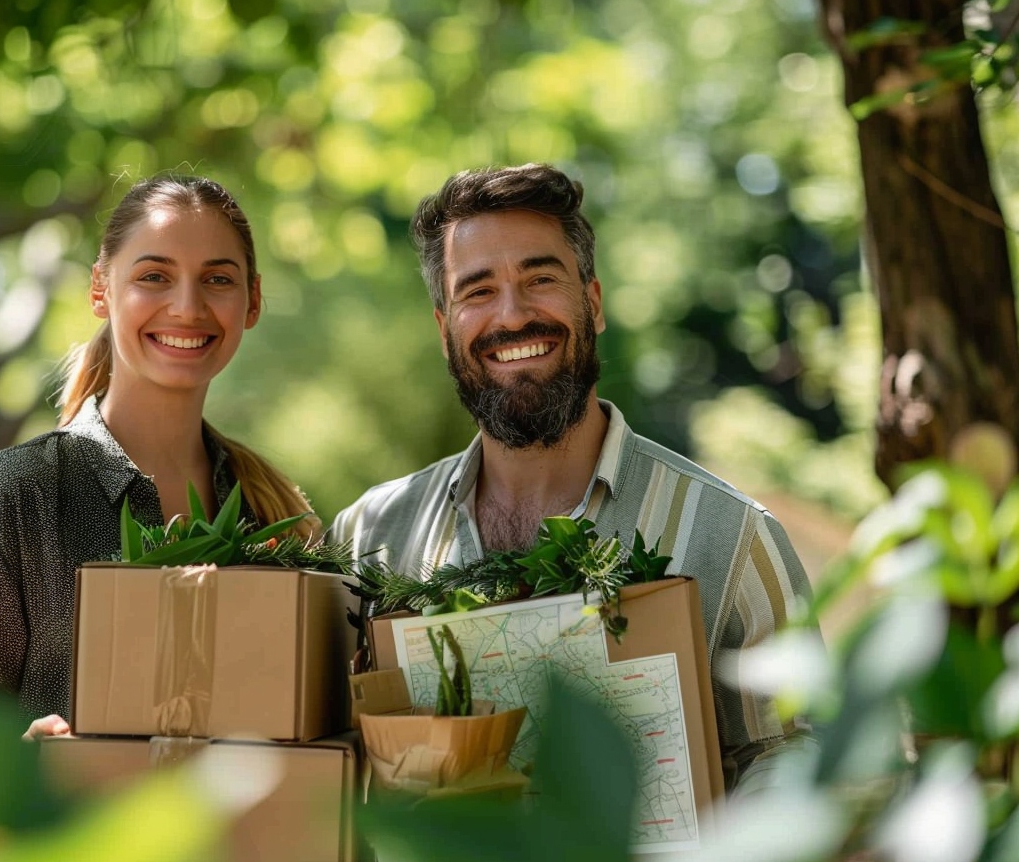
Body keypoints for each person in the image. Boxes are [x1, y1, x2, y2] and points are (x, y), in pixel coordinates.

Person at [330, 163, 813, 793]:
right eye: (476, 291)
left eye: (540, 278)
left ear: (593, 302)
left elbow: (796, 760)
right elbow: (336, 766)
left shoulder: (731, 534)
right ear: (443, 332)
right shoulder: (370, 535)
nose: (512, 315)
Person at [0, 173, 315, 811]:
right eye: (154, 276)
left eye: (218, 279)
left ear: (251, 301)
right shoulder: (23, 495)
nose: (188, 307)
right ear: (100, 289)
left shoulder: (273, 511)